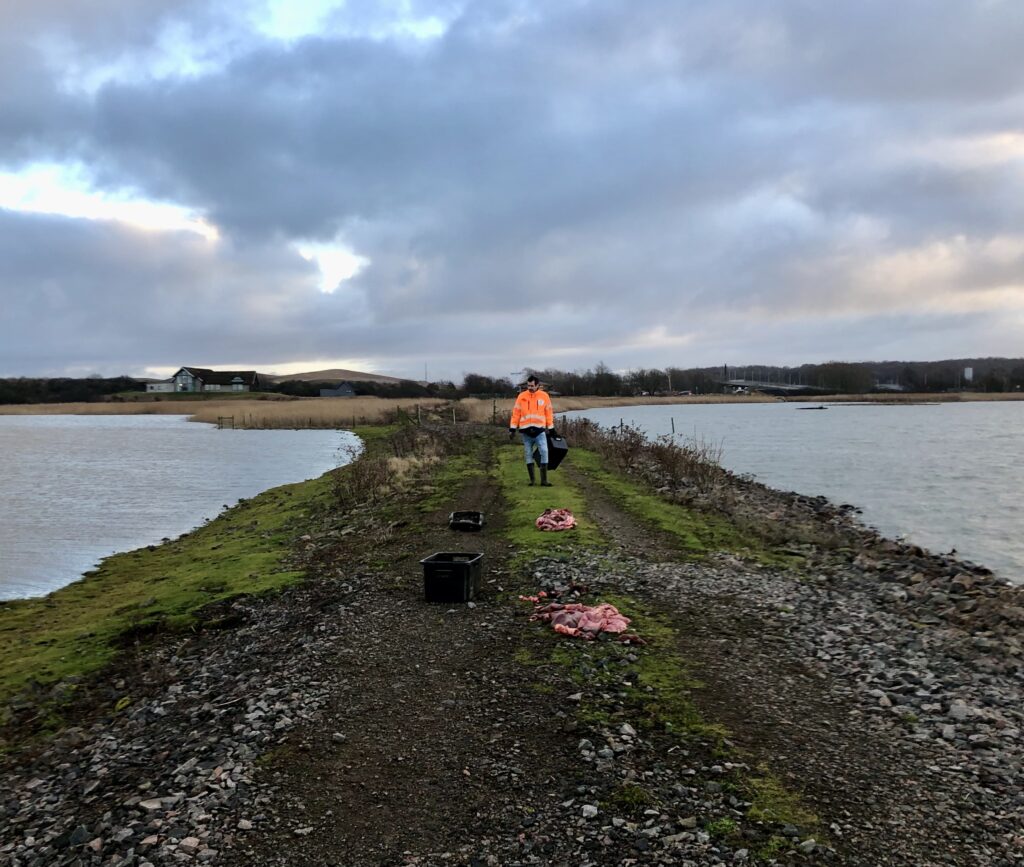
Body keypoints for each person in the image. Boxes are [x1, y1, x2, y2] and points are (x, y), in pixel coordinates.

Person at [509, 375, 554, 486]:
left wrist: (551, 428)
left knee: (544, 451)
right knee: (528, 453)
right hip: (526, 431)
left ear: (537, 385)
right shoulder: (521, 396)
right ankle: (532, 480)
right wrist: (512, 428)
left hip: (539, 430)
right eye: (528, 385)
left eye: (532, 386)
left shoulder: (544, 396)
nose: (530, 388)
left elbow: (548, 412)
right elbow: (516, 413)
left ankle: (544, 480)